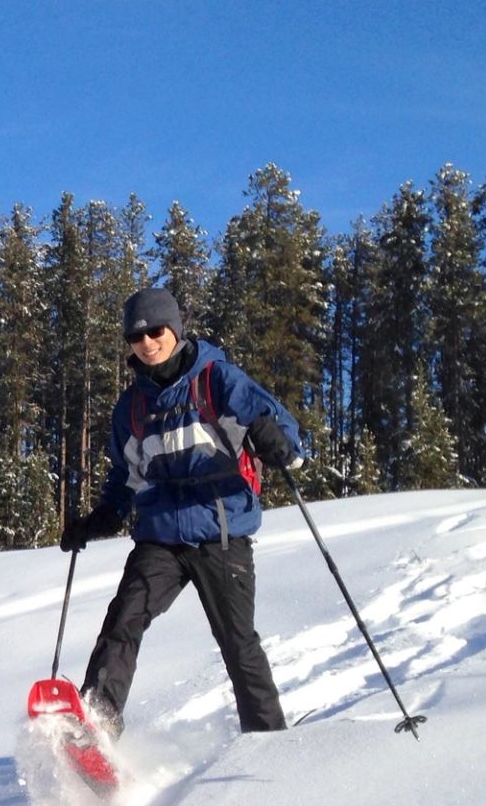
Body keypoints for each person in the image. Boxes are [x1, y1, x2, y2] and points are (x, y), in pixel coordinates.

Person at [59, 286, 306, 736]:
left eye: (156, 331)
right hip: (160, 536)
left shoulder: (217, 380)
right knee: (122, 623)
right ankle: (95, 727)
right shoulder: (131, 408)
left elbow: (282, 430)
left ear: (174, 329)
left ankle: (269, 738)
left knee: (237, 642)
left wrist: (277, 442)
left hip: (220, 531)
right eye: (136, 337)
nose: (148, 343)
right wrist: (97, 521)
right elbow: (125, 479)